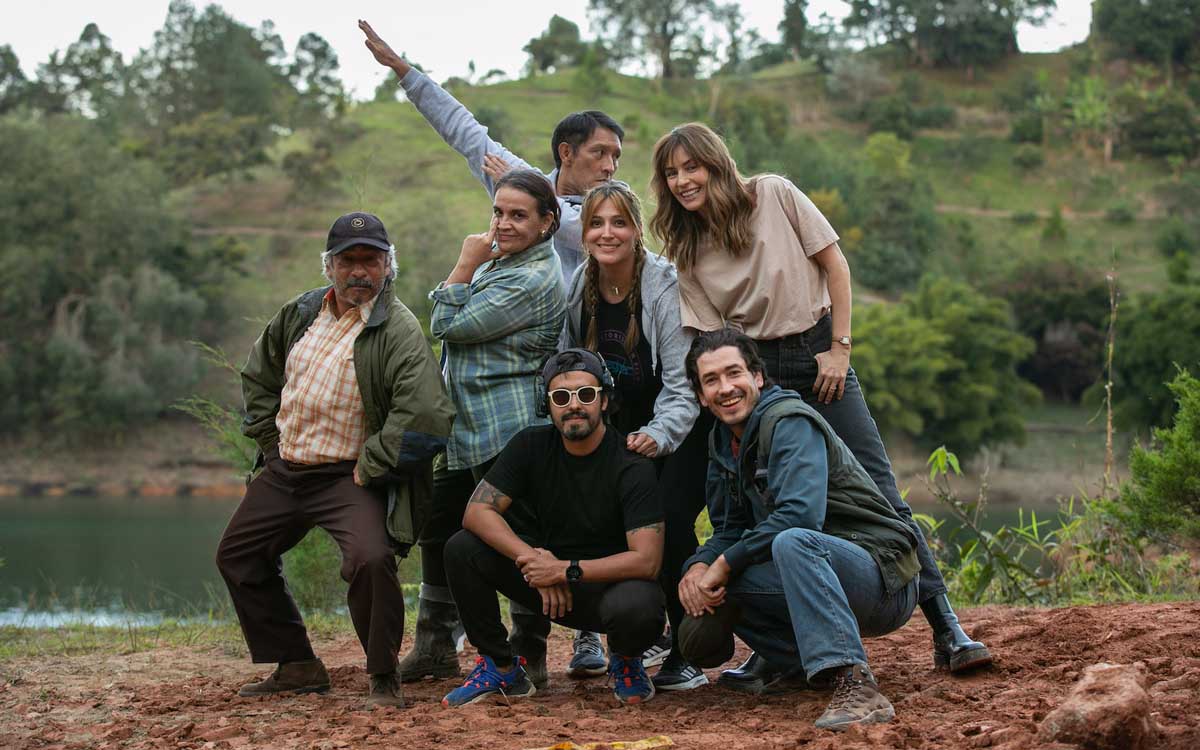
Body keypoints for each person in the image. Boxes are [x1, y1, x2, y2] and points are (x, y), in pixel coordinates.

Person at [649, 123, 991, 690]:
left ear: (716, 162)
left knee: (882, 492)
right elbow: (713, 340)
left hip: (817, 355)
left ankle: (947, 628)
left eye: (692, 167)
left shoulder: (775, 194)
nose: (683, 181)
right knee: (759, 500)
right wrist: (731, 392)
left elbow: (835, 266)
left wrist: (840, 348)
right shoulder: (687, 246)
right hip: (753, 371)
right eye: (671, 174)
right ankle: (778, 653)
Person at [216, 211, 455, 708]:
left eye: (371, 260)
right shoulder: (301, 311)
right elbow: (259, 377)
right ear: (329, 266)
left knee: (371, 560)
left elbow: (426, 415)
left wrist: (369, 467)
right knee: (238, 556)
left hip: (348, 475)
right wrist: (269, 444)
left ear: (389, 266)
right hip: (286, 468)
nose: (360, 272)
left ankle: (384, 677)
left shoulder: (399, 328)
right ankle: (297, 664)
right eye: (348, 261)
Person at [678, 329, 919, 730]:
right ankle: (805, 667)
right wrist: (699, 567)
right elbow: (728, 527)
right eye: (711, 381)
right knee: (707, 615)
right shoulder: (722, 441)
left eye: (733, 373)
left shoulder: (788, 421)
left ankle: (857, 686)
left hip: (880, 576)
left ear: (757, 376)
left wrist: (726, 561)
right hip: (814, 569)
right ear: (701, 396)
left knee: (792, 541)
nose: (725, 388)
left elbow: (799, 517)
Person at [401, 168, 566, 687]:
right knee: (439, 526)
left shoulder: (533, 276)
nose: (504, 223)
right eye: (499, 212)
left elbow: (448, 324)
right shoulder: (507, 264)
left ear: (547, 223)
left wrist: (465, 263)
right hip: (467, 427)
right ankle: (433, 646)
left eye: (519, 215)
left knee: (514, 537)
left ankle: (527, 650)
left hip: (508, 427)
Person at [441, 348, 666, 707]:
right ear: (548, 404)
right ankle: (501, 667)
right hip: (547, 587)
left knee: (640, 604)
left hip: (608, 591)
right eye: (561, 397)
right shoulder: (530, 445)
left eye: (586, 395)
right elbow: (477, 512)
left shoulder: (631, 465)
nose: (573, 405)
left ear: (604, 401)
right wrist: (535, 563)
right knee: (461, 548)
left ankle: (625, 658)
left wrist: (565, 570)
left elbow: (647, 561)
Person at [557, 181, 708, 690]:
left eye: (618, 222)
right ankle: (640, 635)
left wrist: (657, 435)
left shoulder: (663, 284)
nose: (606, 233)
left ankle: (686, 653)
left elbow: (683, 385)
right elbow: (568, 363)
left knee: (671, 524)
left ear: (636, 230)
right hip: (619, 432)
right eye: (596, 223)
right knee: (617, 529)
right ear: (583, 233)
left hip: (678, 427)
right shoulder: (582, 283)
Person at [359, 19, 624, 283]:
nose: (609, 167)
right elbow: (465, 132)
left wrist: (522, 190)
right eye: (599, 153)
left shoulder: (617, 203)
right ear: (566, 153)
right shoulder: (520, 177)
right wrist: (402, 69)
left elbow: (579, 231)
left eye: (615, 156)